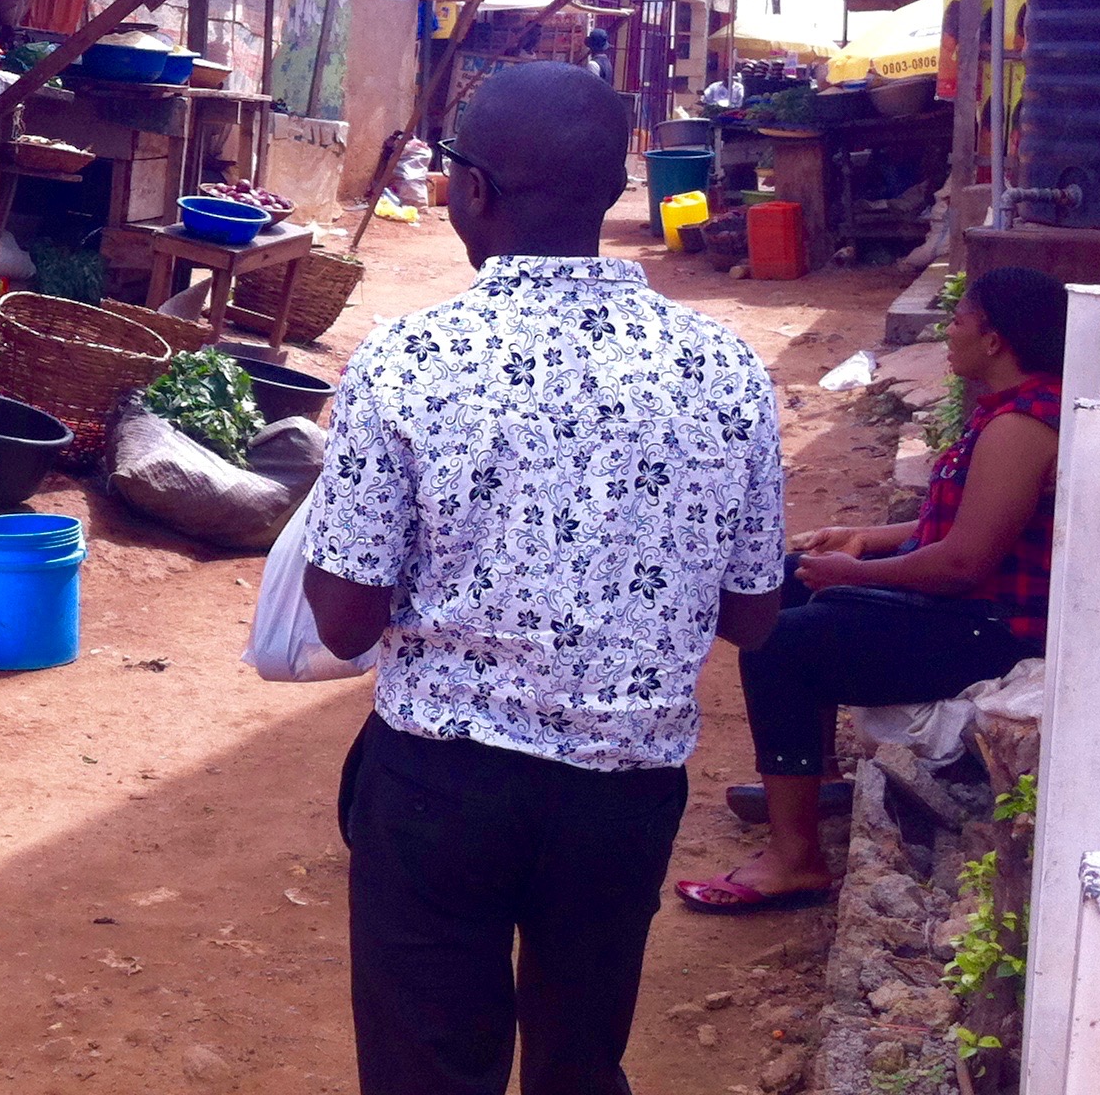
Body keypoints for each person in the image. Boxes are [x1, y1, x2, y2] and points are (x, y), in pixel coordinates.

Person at [302, 61, 786, 1095]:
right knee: (579, 1060)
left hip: (439, 783)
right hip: (623, 790)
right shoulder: (724, 365)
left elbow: (343, 621)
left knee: (427, 1067)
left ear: (471, 191)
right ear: (614, 190)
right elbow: (753, 613)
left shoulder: (409, 359)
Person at [675, 266, 1067, 914]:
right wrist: (862, 538)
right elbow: (963, 523)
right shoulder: (1009, 410)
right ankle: (816, 774)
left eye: (960, 322)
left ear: (995, 340)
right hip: (973, 610)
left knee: (780, 643)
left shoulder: (1021, 426)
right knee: (789, 591)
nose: (949, 334)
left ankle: (795, 860)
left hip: (989, 630)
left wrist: (853, 574)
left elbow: (963, 564)